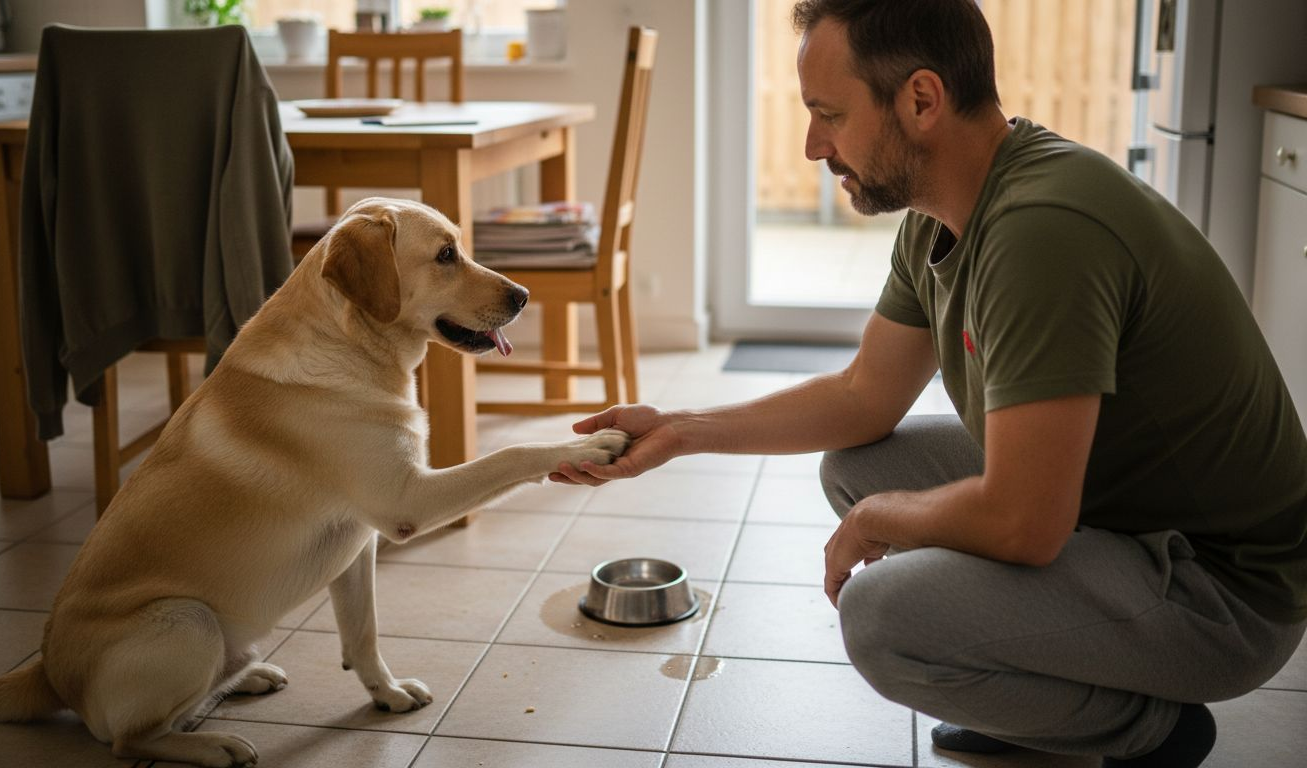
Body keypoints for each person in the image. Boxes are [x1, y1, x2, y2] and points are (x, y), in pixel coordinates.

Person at [548, 1, 1307, 765]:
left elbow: (1026, 522)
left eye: (829, 115)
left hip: (1223, 595)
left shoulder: (1041, 232)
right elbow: (863, 396)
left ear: (920, 99)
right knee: (859, 466)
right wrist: (681, 429)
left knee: (882, 619)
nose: (813, 146)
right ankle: (1032, 689)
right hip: (1121, 518)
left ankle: (1149, 732)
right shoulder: (945, 211)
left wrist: (881, 519)